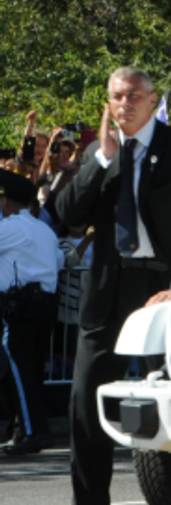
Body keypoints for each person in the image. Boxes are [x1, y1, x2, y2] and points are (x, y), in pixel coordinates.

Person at [55, 66, 171, 505]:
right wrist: (102, 160)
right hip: (107, 290)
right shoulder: (99, 152)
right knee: (85, 406)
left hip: (159, 290)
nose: (123, 105)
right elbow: (67, 214)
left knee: (169, 403)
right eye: (116, 97)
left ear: (151, 100)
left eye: (132, 97)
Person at [0, 170, 64, 456]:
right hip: (44, 304)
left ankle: (33, 431)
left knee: (18, 369)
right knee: (32, 370)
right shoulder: (42, 229)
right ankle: (24, 428)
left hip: (22, 307)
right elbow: (60, 259)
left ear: (6, 203)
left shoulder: (13, 227)